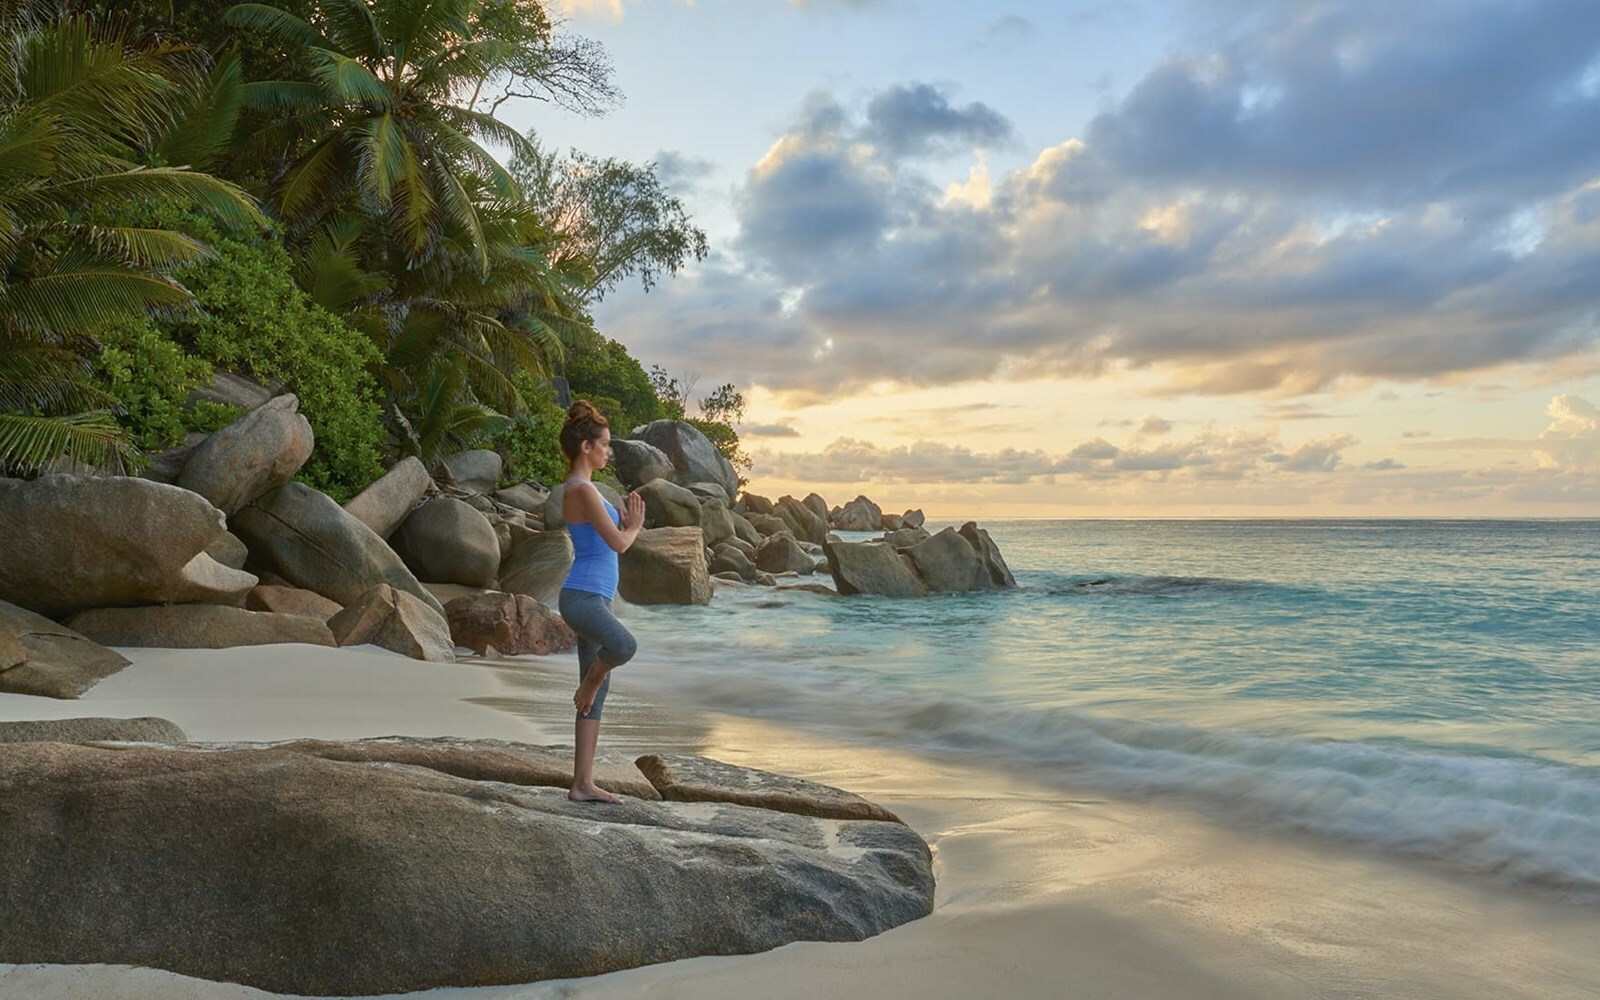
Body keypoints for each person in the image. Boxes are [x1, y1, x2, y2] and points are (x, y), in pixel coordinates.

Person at [556, 400, 646, 803]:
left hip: (594, 598)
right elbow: (618, 544)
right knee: (623, 647)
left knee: (597, 695)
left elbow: (611, 537)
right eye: (605, 444)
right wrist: (635, 528)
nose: (609, 451)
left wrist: (625, 523)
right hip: (582, 598)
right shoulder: (581, 490)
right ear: (585, 447)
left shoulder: (586, 490)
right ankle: (590, 682)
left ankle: (582, 784)